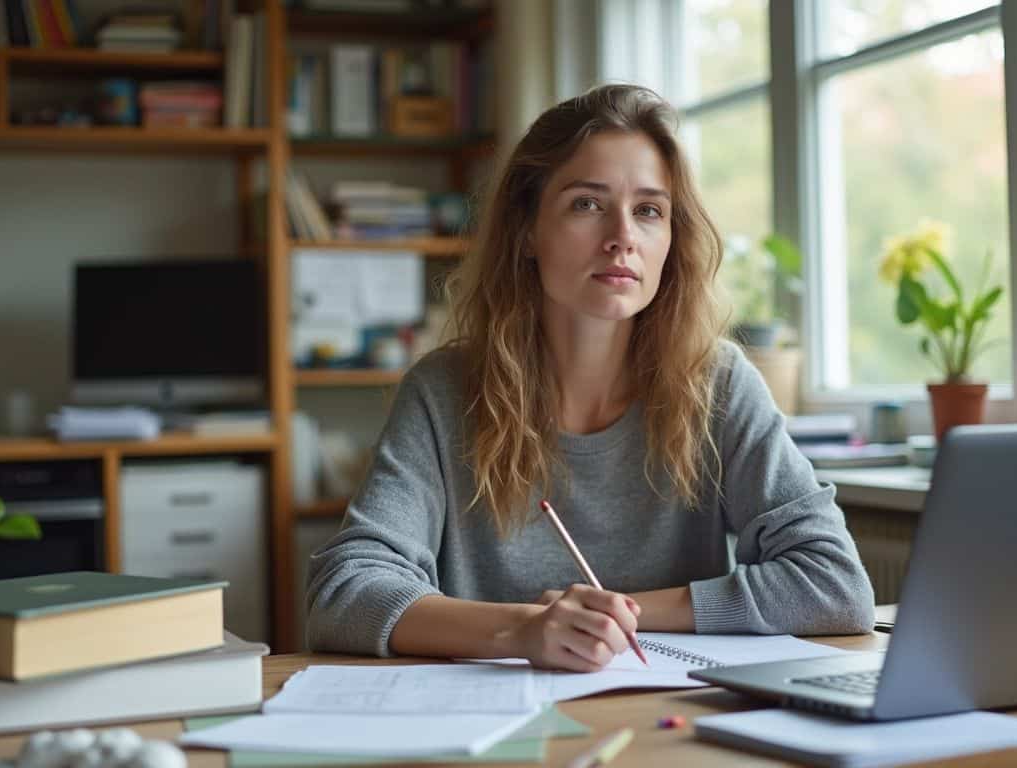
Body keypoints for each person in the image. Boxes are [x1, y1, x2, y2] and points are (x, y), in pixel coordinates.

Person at [306, 84, 875, 672]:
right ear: (526, 230)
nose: (622, 236)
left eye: (649, 210)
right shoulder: (443, 390)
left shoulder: (719, 385)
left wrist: (617, 613)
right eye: (587, 203)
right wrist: (524, 630)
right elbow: (344, 591)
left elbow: (834, 585)